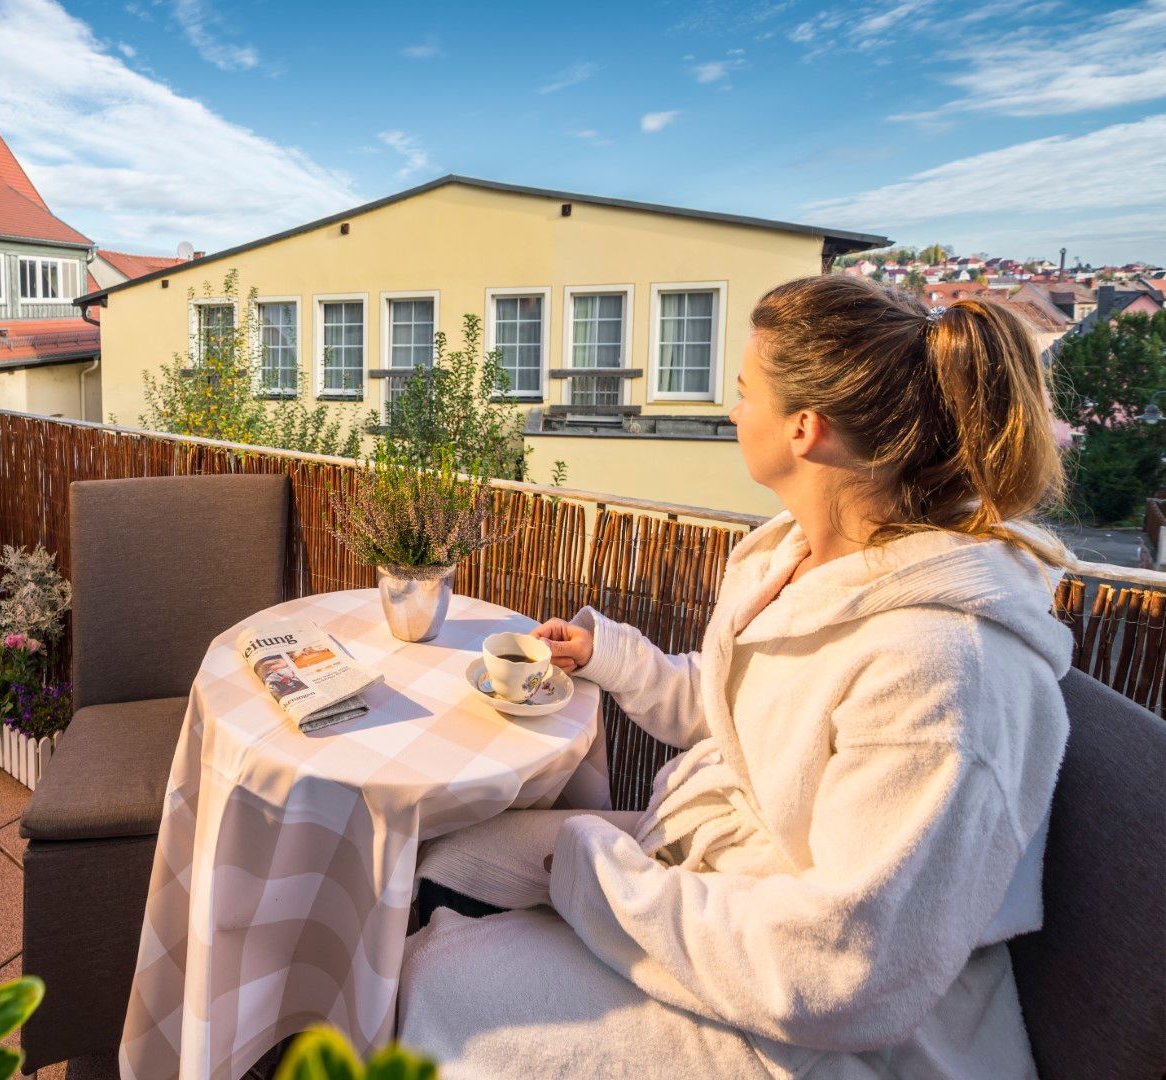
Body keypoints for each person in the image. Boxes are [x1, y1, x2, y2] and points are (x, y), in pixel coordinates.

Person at [397, 275, 1071, 1077]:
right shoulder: (795, 554)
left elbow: (838, 972)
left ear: (803, 429)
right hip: (706, 877)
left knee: (429, 979)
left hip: (817, 1025)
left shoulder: (942, 670)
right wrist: (608, 657)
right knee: (434, 860)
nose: (729, 409)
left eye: (744, 391)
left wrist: (591, 868)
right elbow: (743, 716)